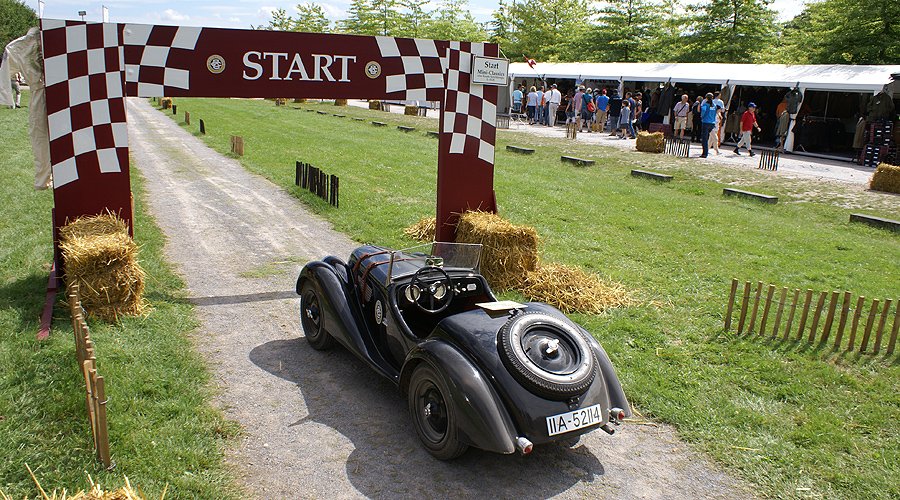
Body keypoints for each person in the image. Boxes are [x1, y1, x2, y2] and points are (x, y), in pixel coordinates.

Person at [699, 93, 717, 158]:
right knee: (709, 137)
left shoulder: (705, 104)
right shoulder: (714, 105)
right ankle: (708, 151)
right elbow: (715, 113)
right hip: (712, 123)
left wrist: (702, 117)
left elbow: (703, 112)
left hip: (706, 122)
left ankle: (704, 153)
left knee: (704, 139)